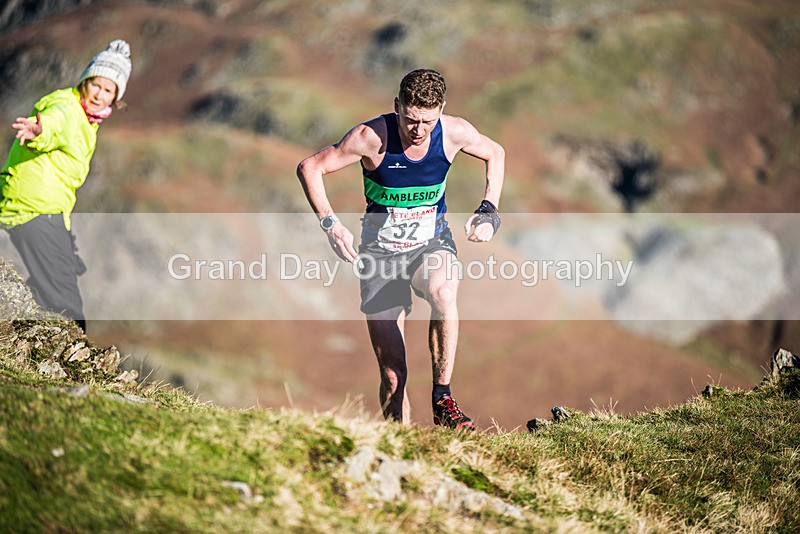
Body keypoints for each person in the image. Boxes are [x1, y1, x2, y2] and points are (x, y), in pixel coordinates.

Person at [297, 69, 504, 430]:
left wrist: (489, 210)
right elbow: (310, 168)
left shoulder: (453, 132)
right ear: (397, 107)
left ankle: (443, 398)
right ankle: (400, 440)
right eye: (410, 119)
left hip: (431, 245)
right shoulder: (370, 137)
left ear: (441, 110)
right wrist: (330, 224)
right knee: (393, 375)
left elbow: (496, 153)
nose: (418, 130)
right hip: (380, 256)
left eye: (427, 121)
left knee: (443, 289)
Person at [0, 39, 133, 333]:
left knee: (65, 270)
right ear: (85, 79)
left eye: (108, 90)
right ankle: (74, 361)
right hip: (33, 208)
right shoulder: (68, 107)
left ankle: (23, 334)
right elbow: (54, 122)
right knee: (66, 302)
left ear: (116, 97)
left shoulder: (88, 121)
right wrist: (39, 129)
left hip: (48, 208)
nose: (99, 94)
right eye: (96, 85)